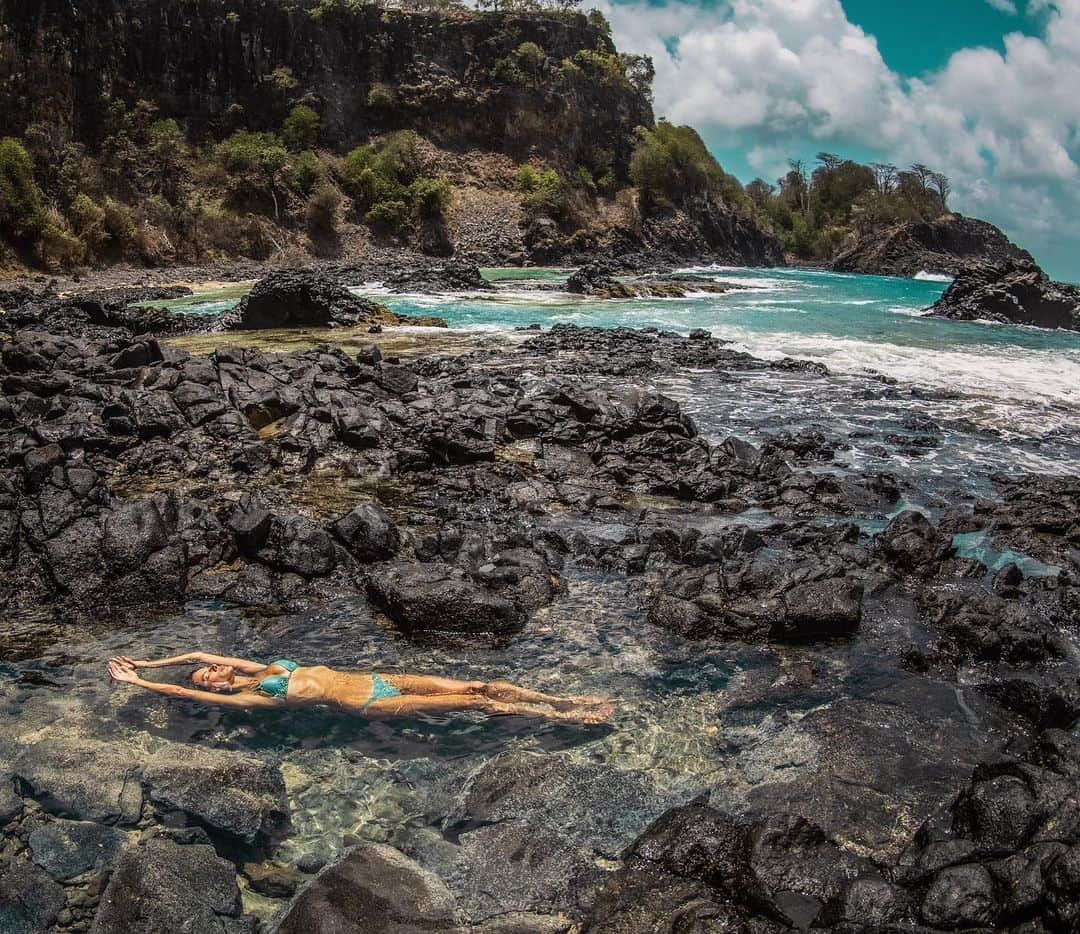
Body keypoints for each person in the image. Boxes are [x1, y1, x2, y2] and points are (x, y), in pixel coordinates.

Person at [106, 653, 613, 723]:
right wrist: (141, 682)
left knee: (478, 681)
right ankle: (562, 718)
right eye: (208, 681)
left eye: (209, 673)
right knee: (476, 701)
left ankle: (556, 697)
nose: (209, 675)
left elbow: (197, 655)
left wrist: (153, 658)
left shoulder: (259, 669)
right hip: (371, 702)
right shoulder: (256, 696)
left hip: (379, 677)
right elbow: (183, 692)